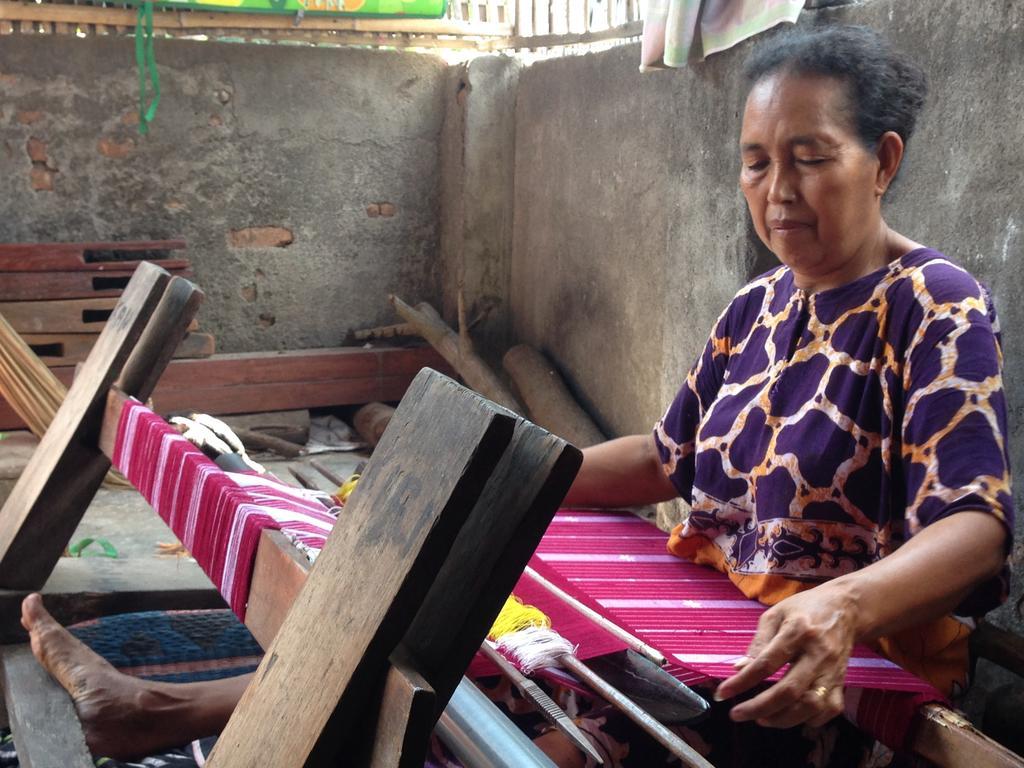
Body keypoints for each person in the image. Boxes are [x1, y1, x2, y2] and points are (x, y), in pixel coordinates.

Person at [16, 23, 1013, 768]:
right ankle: (168, 712)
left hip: (815, 668)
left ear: (881, 161)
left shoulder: (932, 305)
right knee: (470, 591)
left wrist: (838, 608)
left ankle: (172, 711)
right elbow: (667, 459)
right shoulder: (756, 307)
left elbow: (975, 525)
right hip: (713, 612)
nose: (777, 189)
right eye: (756, 163)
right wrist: (491, 489)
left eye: (809, 157)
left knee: (530, 709)